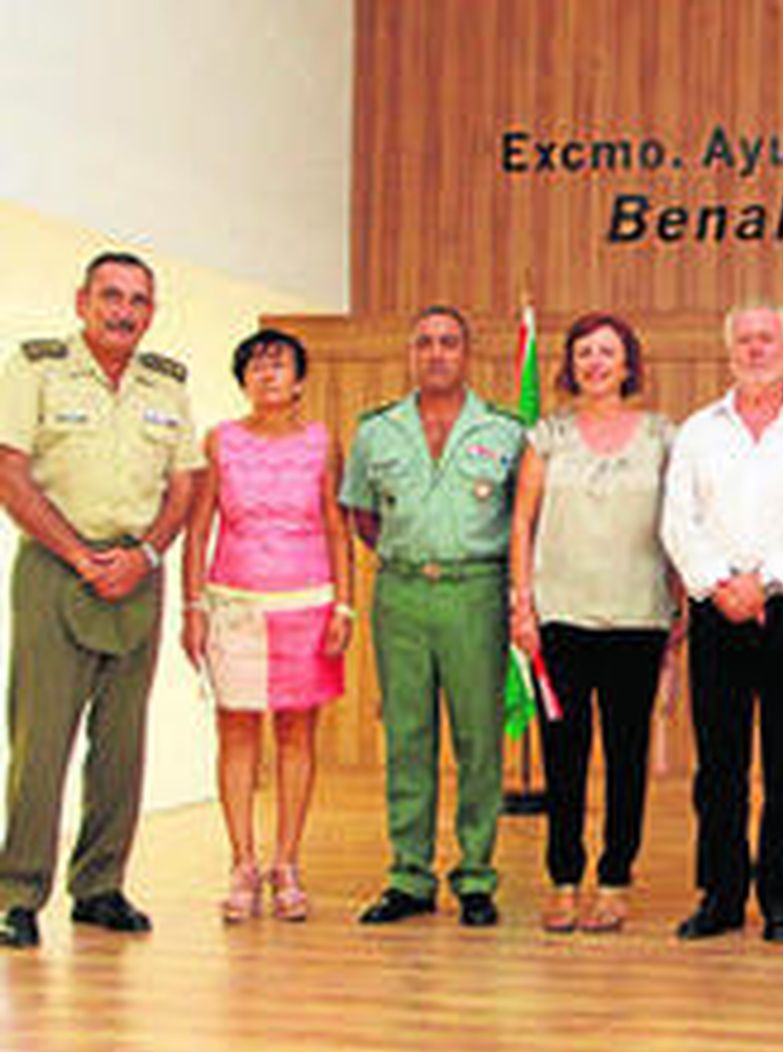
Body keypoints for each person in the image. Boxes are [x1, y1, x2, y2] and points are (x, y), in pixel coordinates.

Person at [0, 252, 202, 949]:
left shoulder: (166, 385)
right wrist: (81, 556)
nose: (124, 311)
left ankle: (101, 886)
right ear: (83, 299)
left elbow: (184, 487)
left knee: (121, 744)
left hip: (137, 572)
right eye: (111, 296)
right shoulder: (36, 367)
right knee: (40, 740)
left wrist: (145, 554)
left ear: (151, 310)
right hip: (59, 568)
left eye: (138, 300)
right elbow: (10, 472)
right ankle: (19, 893)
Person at [660, 300, 783, 944]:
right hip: (717, 609)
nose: (755, 349)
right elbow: (676, 520)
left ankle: (781, 896)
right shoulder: (698, 431)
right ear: (729, 349)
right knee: (719, 763)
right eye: (744, 339)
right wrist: (721, 583)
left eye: (766, 338)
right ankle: (720, 894)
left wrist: (763, 581)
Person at [341, 305, 524, 929]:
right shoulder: (377, 431)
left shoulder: (504, 431)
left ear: (467, 355)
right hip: (402, 594)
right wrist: (412, 554)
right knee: (408, 737)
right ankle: (408, 876)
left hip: (476, 592)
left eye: (449, 342)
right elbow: (364, 517)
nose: (437, 353)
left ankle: (476, 875)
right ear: (411, 354)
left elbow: (523, 517)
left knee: (478, 740)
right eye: (425, 342)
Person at [509, 313, 678, 934]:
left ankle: (614, 879)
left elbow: (681, 521)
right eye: (585, 353)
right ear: (570, 363)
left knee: (628, 756)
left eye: (608, 352)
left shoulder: (664, 435)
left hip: (639, 616)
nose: (596, 363)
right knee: (564, 757)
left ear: (629, 363)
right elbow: (521, 523)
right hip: (560, 621)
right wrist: (522, 604)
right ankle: (563, 878)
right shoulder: (546, 434)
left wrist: (681, 603)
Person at [181, 329, 353, 923]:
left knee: (297, 736)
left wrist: (345, 606)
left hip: (307, 602)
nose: (267, 374)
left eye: (278, 364)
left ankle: (287, 863)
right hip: (234, 602)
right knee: (236, 734)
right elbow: (199, 528)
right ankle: (242, 863)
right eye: (255, 364)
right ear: (243, 379)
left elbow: (336, 526)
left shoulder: (322, 442)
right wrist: (193, 608)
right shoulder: (219, 441)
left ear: (300, 380)